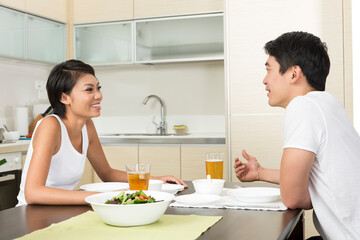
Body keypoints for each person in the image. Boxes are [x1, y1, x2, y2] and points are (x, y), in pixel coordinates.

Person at [234, 31, 360, 239]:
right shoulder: (328, 104)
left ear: (293, 74)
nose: (264, 80)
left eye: (269, 70)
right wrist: (260, 173)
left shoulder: (302, 107)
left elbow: (294, 198)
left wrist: (307, 196)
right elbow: (324, 180)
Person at [17, 59, 186, 206]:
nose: (99, 95)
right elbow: (33, 193)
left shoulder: (87, 126)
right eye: (89, 90)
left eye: (98, 88)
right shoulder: (50, 125)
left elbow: (107, 173)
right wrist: (101, 197)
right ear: (64, 98)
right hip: (32, 214)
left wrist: (156, 180)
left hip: (60, 210)